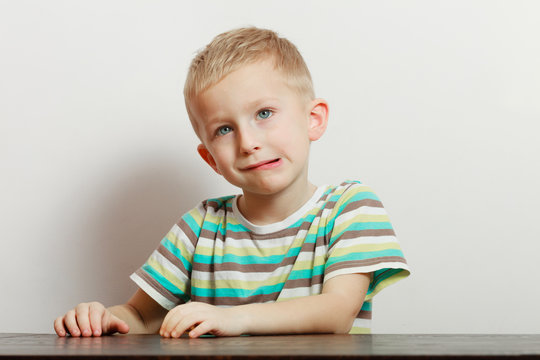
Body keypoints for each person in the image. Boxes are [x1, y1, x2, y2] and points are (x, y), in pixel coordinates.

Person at [54, 27, 410, 339]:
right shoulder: (199, 228)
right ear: (210, 158)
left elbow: (337, 313)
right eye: (224, 129)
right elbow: (140, 316)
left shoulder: (349, 208)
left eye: (264, 113)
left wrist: (233, 318)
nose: (247, 143)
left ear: (313, 119)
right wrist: (101, 318)